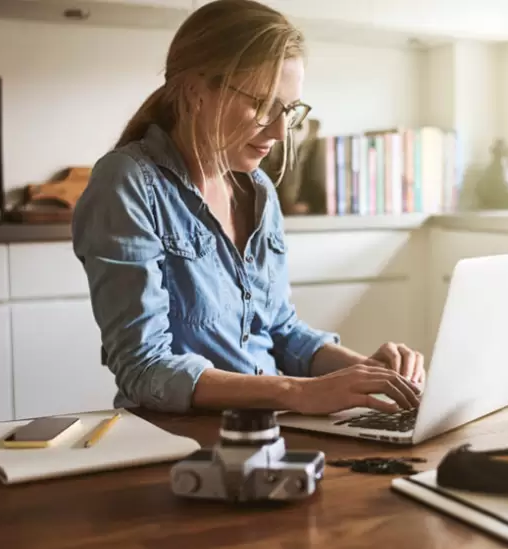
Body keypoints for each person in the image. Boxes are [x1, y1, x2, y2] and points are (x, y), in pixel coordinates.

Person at [71, 0, 424, 418]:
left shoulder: (258, 191)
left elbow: (280, 331)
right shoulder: (129, 182)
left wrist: (369, 372)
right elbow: (143, 367)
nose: (279, 131)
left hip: (272, 429)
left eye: (288, 111)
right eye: (262, 105)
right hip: (177, 438)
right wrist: (297, 392)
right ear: (195, 91)